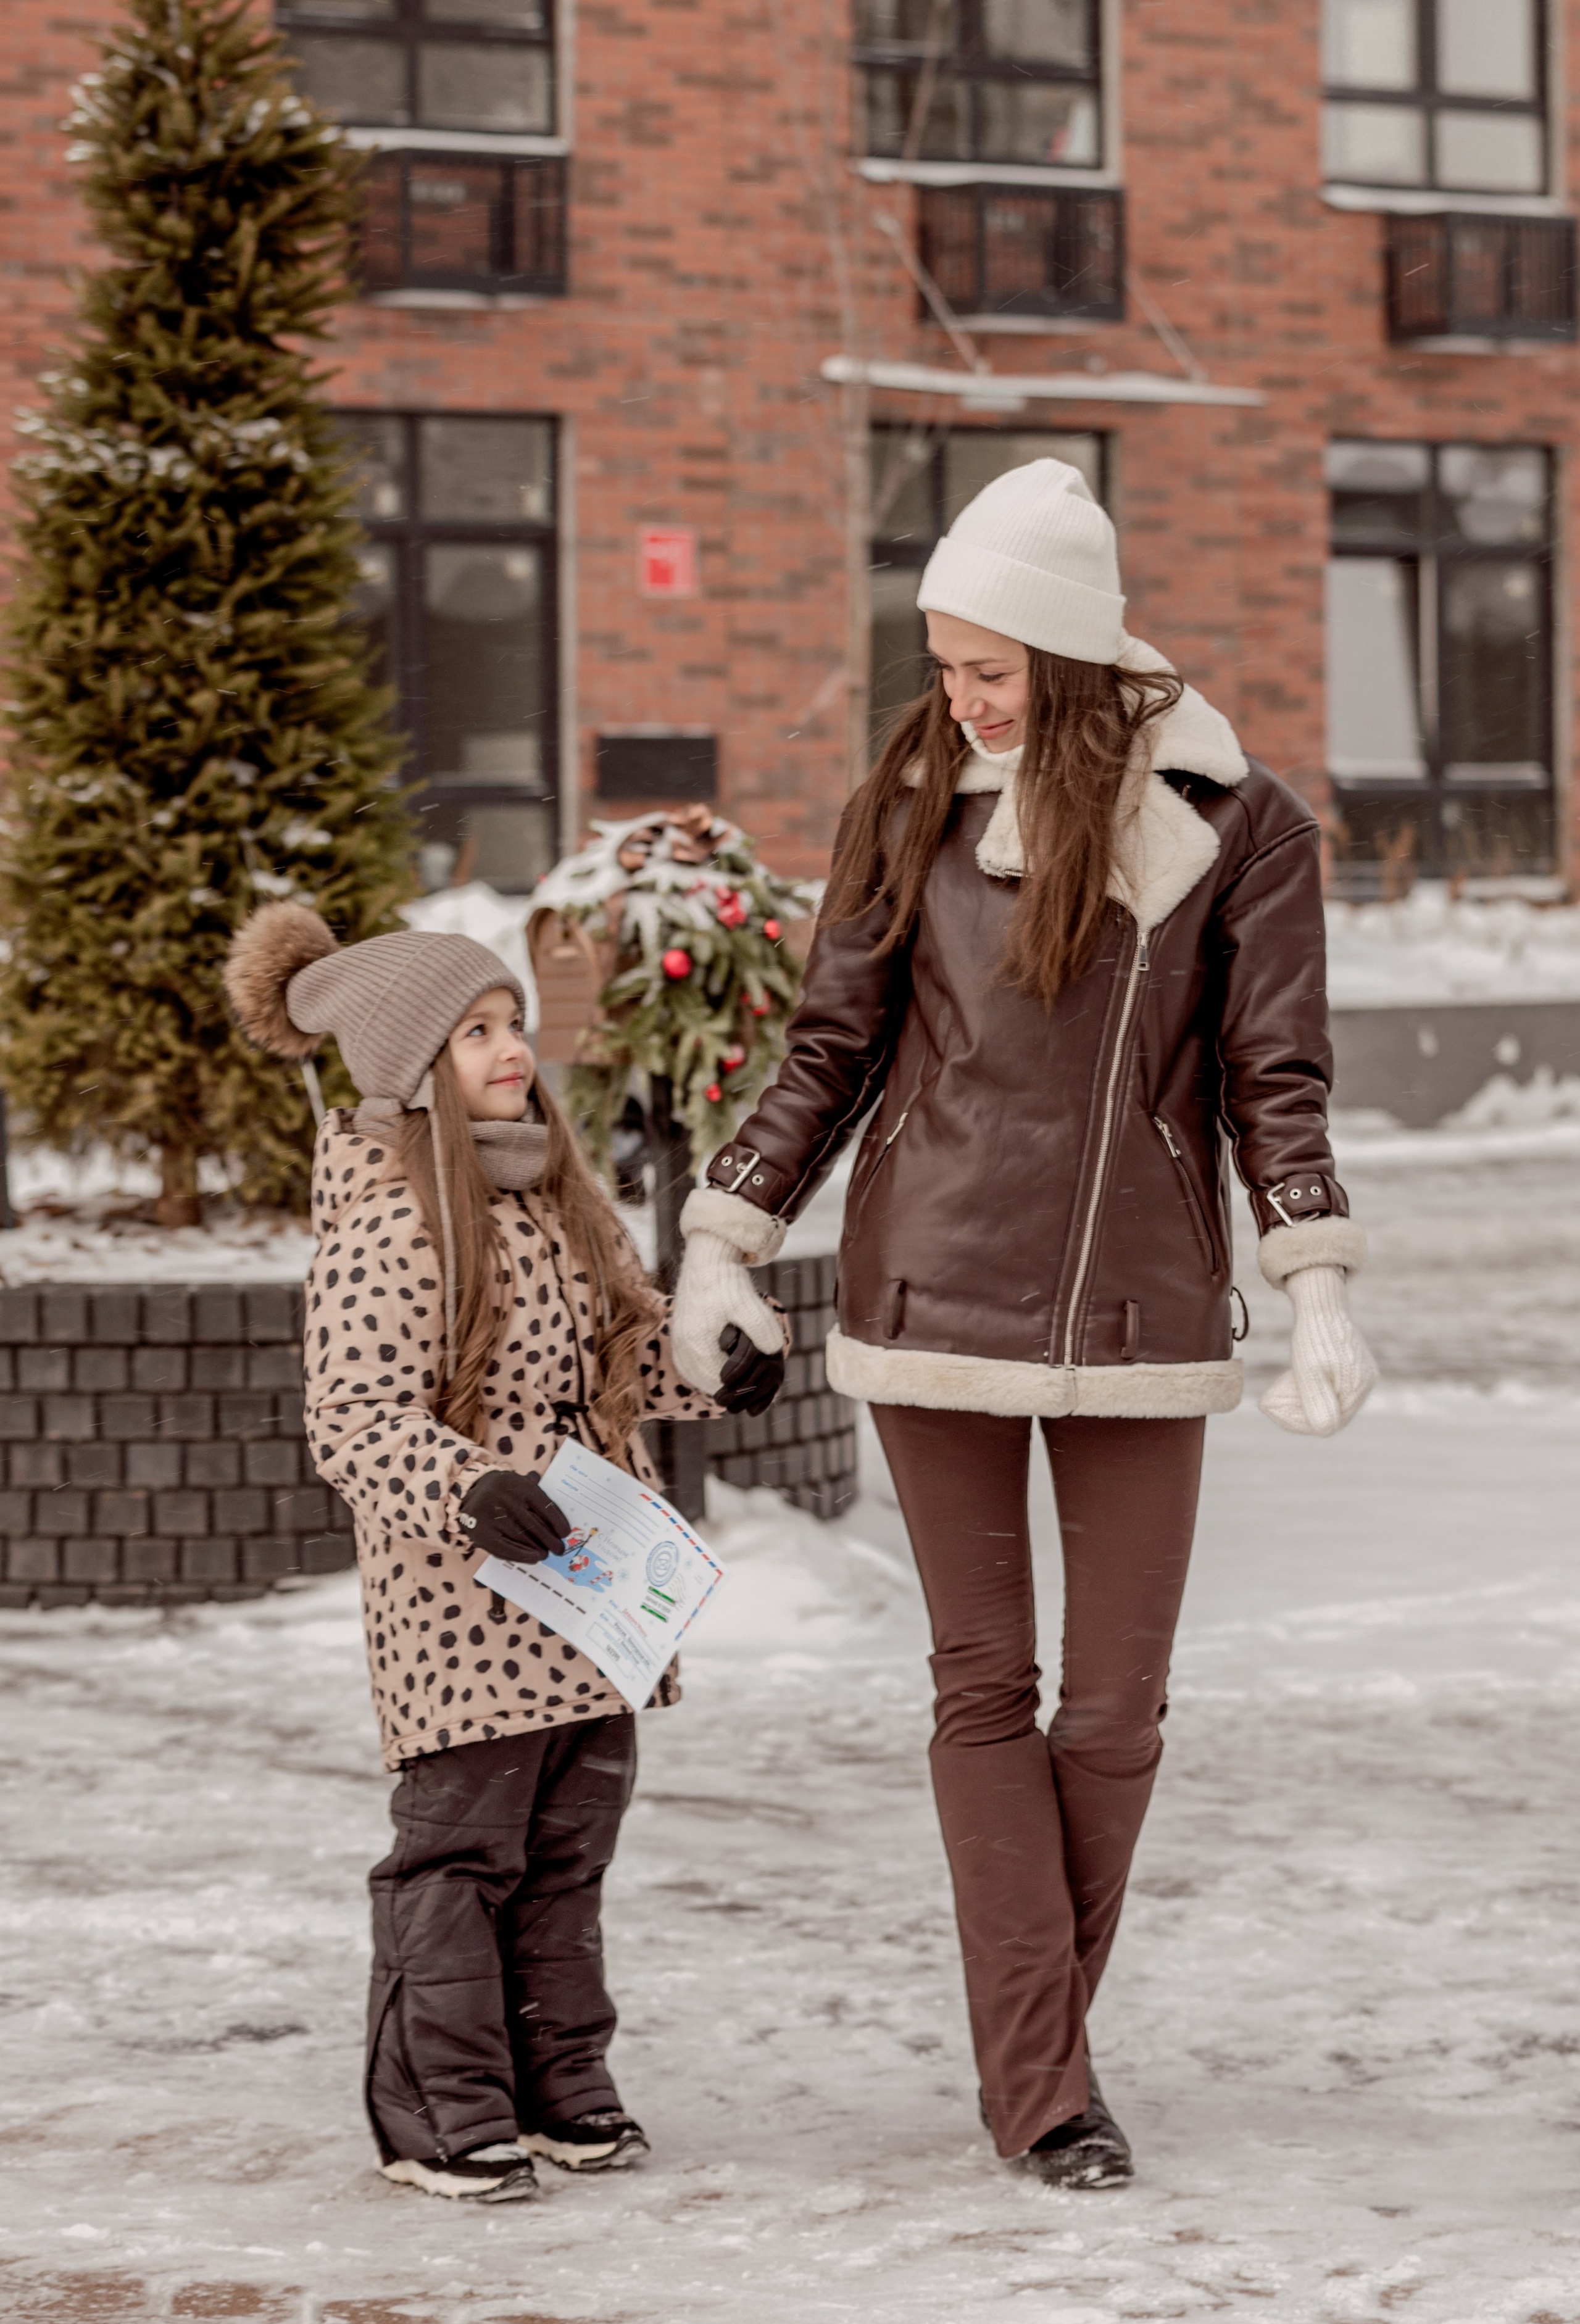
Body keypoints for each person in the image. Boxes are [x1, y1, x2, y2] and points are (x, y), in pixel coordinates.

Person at [670, 459, 1376, 2189]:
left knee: (1118, 1709)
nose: (959, 698)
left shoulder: (1241, 823)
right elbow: (828, 1047)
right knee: (983, 1686)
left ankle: (1036, 2052)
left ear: (1069, 658)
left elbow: (1277, 1079)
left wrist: (1318, 1283)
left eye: (989, 668)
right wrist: (726, 1236)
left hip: (1145, 1305)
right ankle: (1049, 2091)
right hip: (931, 1289)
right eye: (947, 663)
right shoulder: (909, 801)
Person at [226, 910, 783, 2203]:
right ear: (411, 1067)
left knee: (566, 1853)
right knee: (461, 1855)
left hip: (588, 1600)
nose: (510, 1048)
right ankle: (442, 2107)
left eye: (512, 1022)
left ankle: (559, 2083)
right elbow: (353, 1420)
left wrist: (711, 1363)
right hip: (461, 1605)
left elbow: (621, 1356)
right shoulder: (392, 1223)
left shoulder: (552, 1197)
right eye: (474, 1031)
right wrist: (470, 1488)